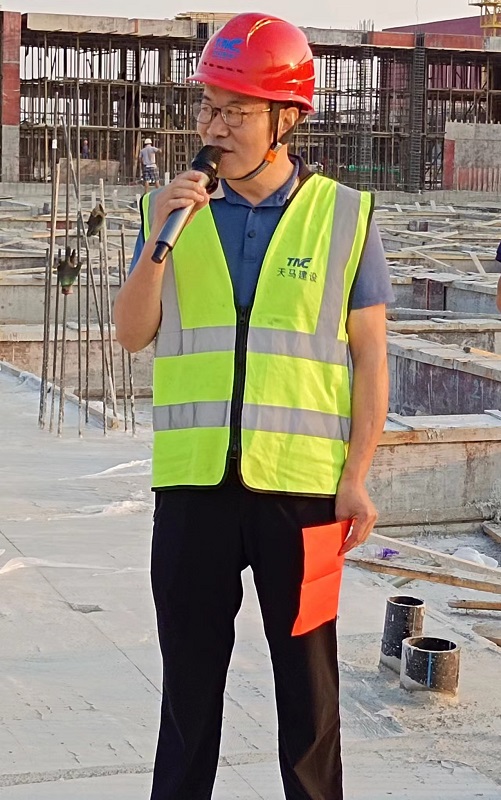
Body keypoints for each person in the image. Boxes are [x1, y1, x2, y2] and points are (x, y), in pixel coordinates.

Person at [114, 12, 393, 800]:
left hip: (301, 498)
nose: (214, 127)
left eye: (235, 111)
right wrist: (161, 237)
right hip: (193, 491)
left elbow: (370, 359)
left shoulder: (344, 216)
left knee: (309, 696)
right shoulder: (168, 208)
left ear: (286, 118)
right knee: (187, 696)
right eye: (208, 107)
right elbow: (131, 333)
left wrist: (356, 476)